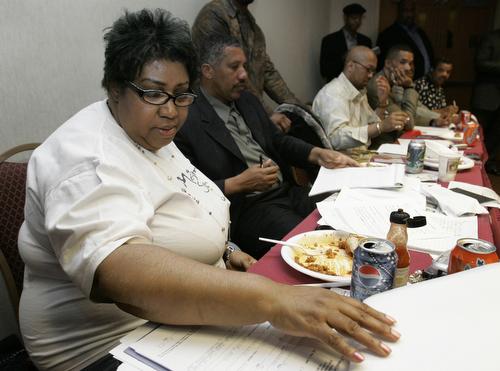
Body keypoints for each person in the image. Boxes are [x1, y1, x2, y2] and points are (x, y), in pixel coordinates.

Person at [18, 9, 399, 370]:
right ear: (115, 88)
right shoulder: (87, 158)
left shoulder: (152, 134)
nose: (171, 111)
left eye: (182, 94)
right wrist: (272, 300)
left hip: (171, 320)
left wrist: (227, 250)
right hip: (110, 345)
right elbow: (122, 272)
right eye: (154, 93)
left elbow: (186, 202)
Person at [174, 34, 359, 259]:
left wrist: (317, 154)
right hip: (249, 208)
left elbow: (277, 141)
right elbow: (186, 189)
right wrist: (239, 183)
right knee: (317, 246)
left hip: (286, 191)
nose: (243, 75)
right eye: (234, 67)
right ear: (208, 71)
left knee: (349, 209)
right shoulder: (186, 118)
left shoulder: (247, 100)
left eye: (244, 66)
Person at [192, 0, 304, 132]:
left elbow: (267, 71)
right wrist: (266, 114)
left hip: (247, 115)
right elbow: (229, 77)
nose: (242, 73)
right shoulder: (214, 15)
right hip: (218, 118)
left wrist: (299, 109)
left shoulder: (252, 25)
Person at [313, 46, 409, 151]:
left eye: (373, 71)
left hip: (359, 157)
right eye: (368, 69)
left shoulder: (359, 90)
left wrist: (382, 104)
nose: (371, 75)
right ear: (350, 66)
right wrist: (380, 126)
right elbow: (336, 139)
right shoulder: (332, 94)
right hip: (339, 162)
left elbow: (370, 127)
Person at [367, 44, 416, 148]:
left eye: (411, 63)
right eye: (403, 62)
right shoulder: (379, 85)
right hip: (380, 148)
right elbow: (408, 123)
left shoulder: (393, 82)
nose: (408, 68)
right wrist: (409, 88)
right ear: (388, 63)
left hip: (393, 144)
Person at [376, 0, 434, 80]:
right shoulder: (388, 34)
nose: (409, 14)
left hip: (425, 82)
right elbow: (382, 64)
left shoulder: (420, 32)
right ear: (399, 12)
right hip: (402, 82)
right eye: (406, 11)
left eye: (412, 10)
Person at [320, 3, 373, 83]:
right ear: (345, 18)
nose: (357, 21)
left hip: (359, 88)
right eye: (354, 18)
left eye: (359, 18)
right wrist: (344, 57)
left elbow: (370, 68)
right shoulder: (329, 40)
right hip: (336, 87)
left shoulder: (366, 41)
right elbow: (324, 71)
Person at [472, 28, 500, 175]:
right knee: (480, 131)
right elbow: (480, 63)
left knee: (497, 133)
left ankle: (488, 163)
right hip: (487, 95)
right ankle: (474, 162)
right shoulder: (491, 37)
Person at [415, 57, 459, 127]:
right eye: (441, 70)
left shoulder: (439, 87)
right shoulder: (420, 85)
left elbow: (443, 115)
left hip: (436, 126)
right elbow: (417, 112)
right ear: (432, 69)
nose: (445, 74)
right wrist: (444, 110)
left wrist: (450, 111)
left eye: (448, 72)